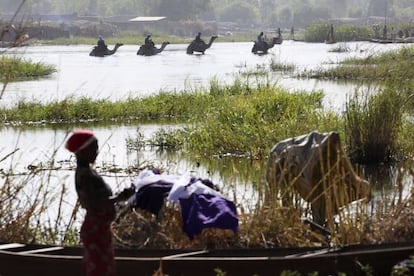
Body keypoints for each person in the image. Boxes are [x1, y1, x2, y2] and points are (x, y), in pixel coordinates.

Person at [65, 130, 135, 276]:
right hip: (95, 229)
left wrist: (121, 199)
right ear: (82, 151)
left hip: (98, 228)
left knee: (101, 267)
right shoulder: (85, 175)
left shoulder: (87, 172)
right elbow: (96, 203)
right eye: (94, 148)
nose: (97, 152)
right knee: (100, 270)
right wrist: (120, 197)